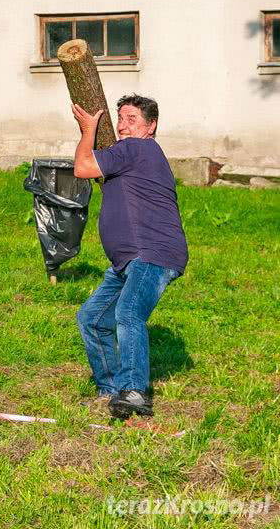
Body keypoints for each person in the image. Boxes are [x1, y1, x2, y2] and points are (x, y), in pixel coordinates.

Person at [72, 94, 188, 419]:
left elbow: (82, 167)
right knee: (92, 319)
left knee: (128, 312)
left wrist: (87, 130)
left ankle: (135, 391)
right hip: (127, 262)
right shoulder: (131, 155)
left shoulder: (138, 148)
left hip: (151, 254)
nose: (123, 125)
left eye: (132, 119)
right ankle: (109, 390)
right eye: (120, 118)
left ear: (151, 127)